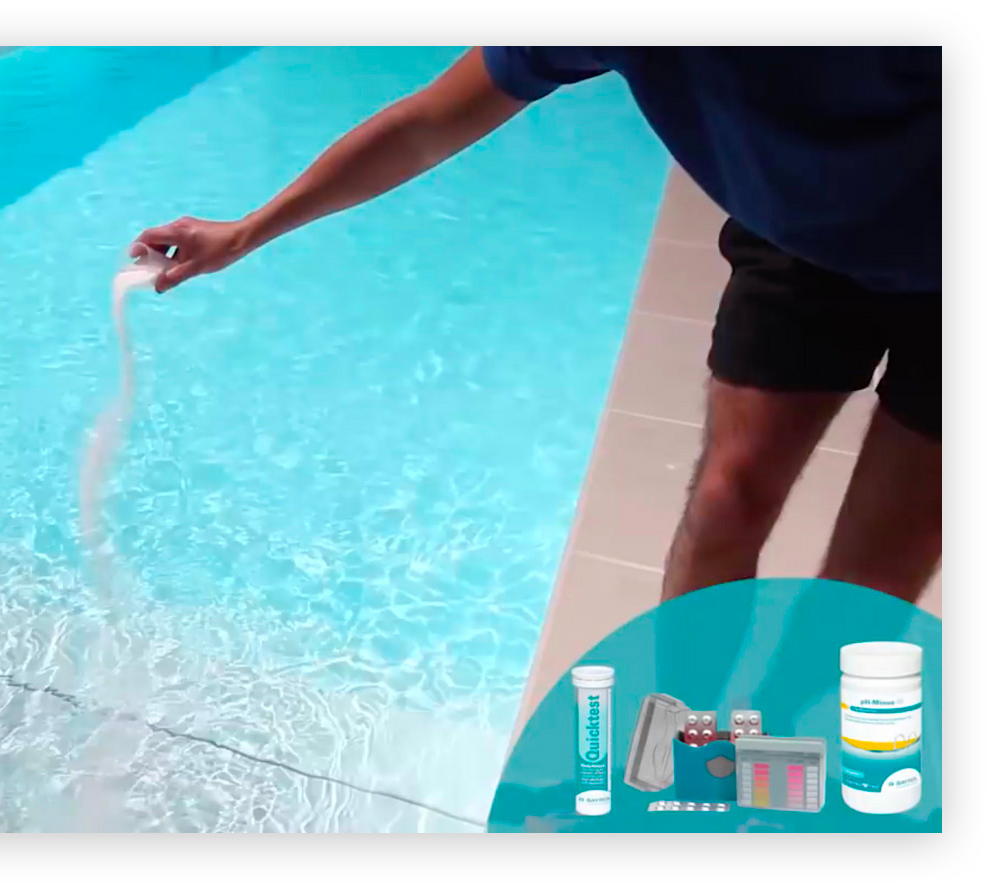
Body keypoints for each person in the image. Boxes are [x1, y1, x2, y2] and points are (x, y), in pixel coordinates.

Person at [133, 47, 941, 604]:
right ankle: (690, 745)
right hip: (799, 240)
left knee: (870, 582)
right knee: (728, 501)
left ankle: (816, 759)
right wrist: (246, 232)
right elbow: (426, 124)